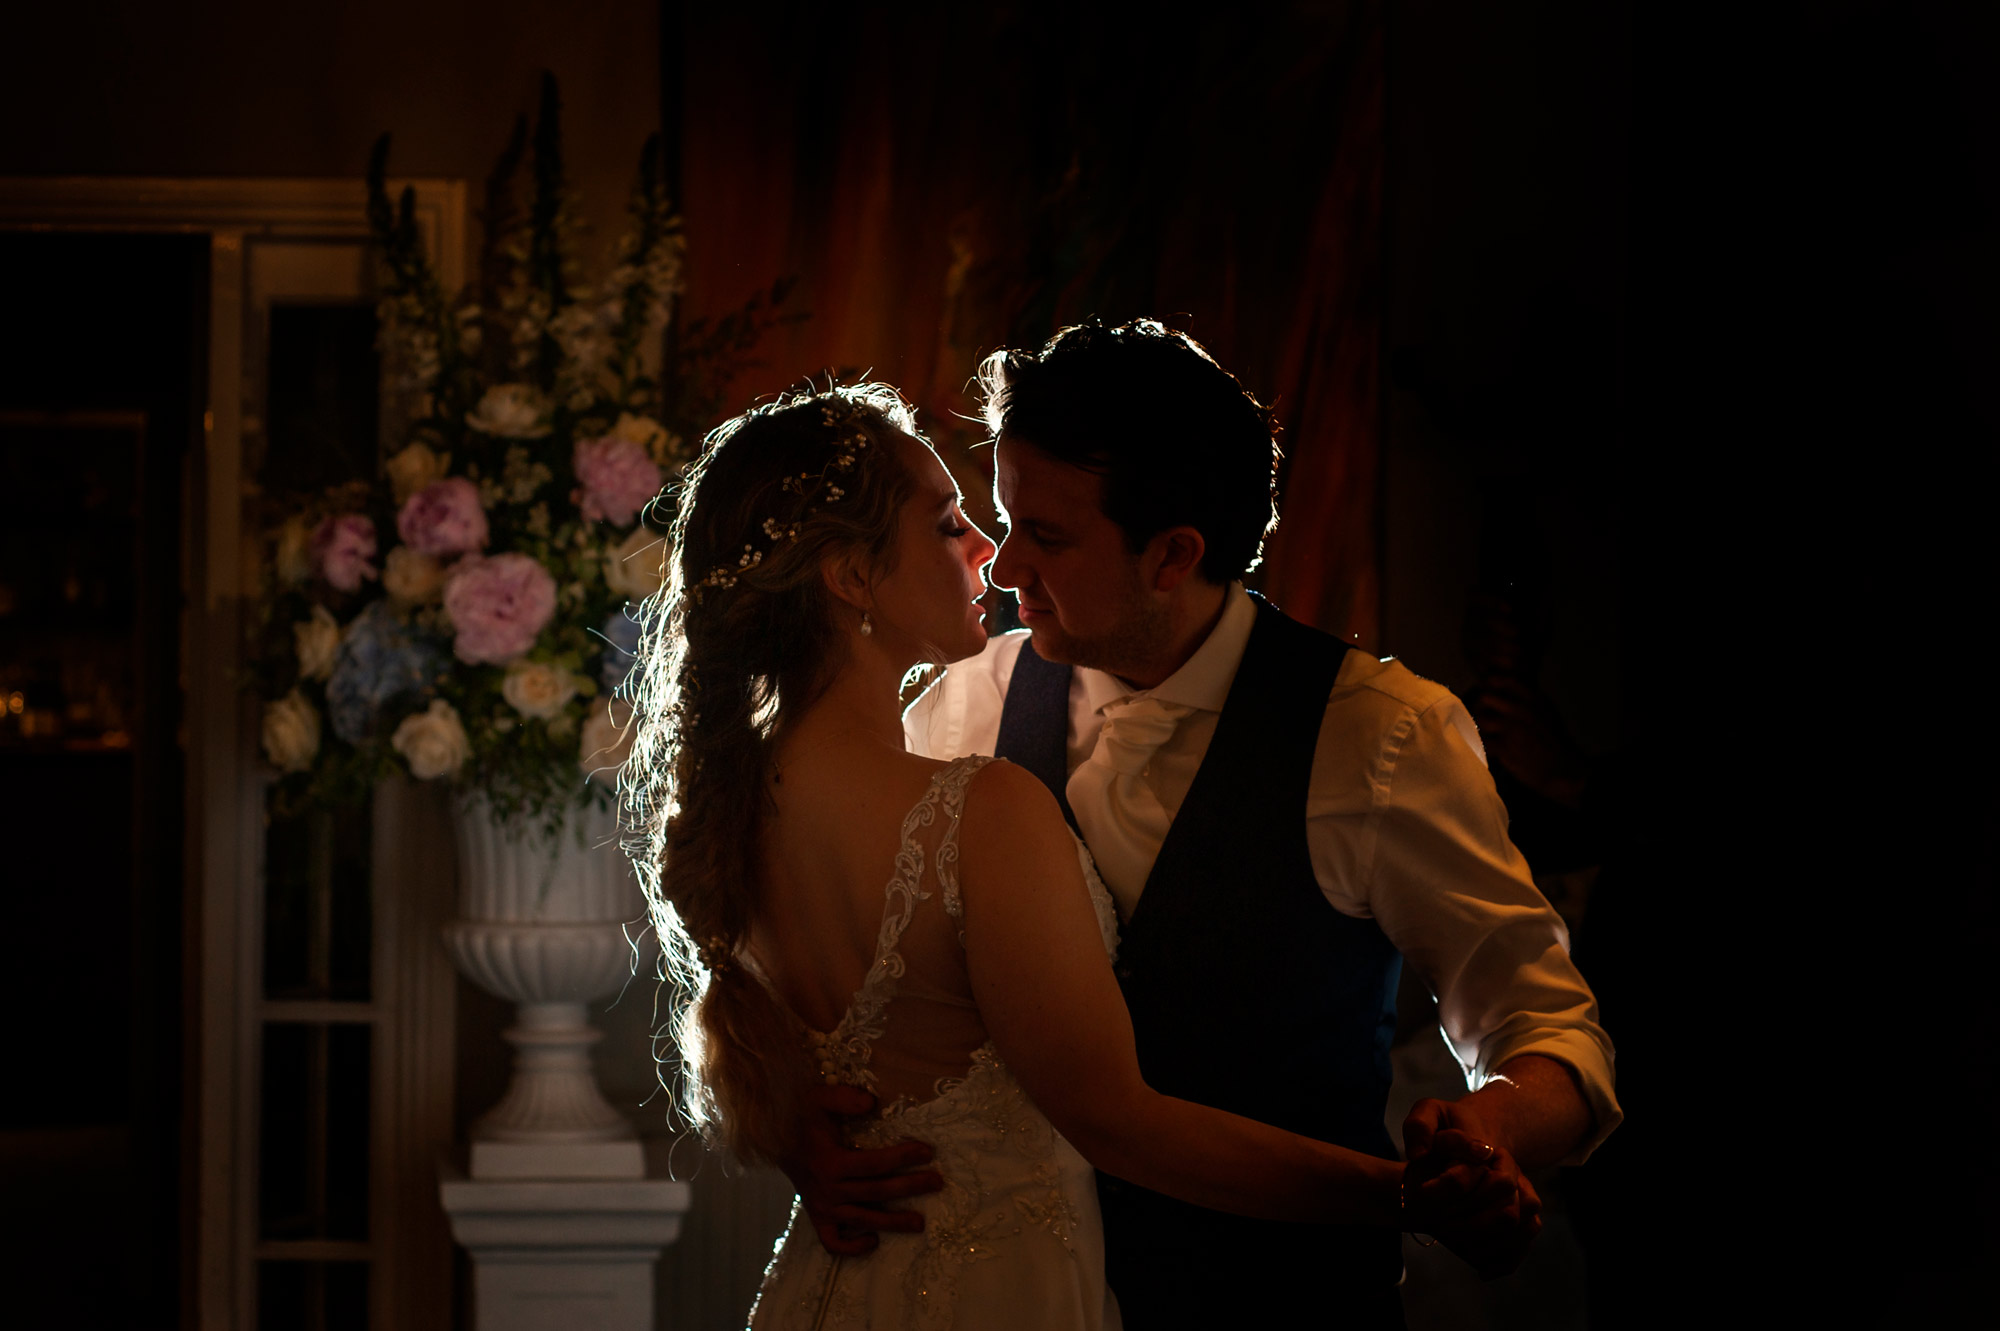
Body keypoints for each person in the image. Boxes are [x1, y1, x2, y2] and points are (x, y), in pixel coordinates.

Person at [621, 382, 1535, 1331]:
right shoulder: (976, 789)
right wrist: (1401, 1196)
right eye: (951, 524)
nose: (990, 551)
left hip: (846, 1285)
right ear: (850, 576)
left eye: (1029, 530)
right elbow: (1116, 1119)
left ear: (1173, 554)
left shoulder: (736, 807)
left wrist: (789, 1122)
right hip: (1002, 1288)